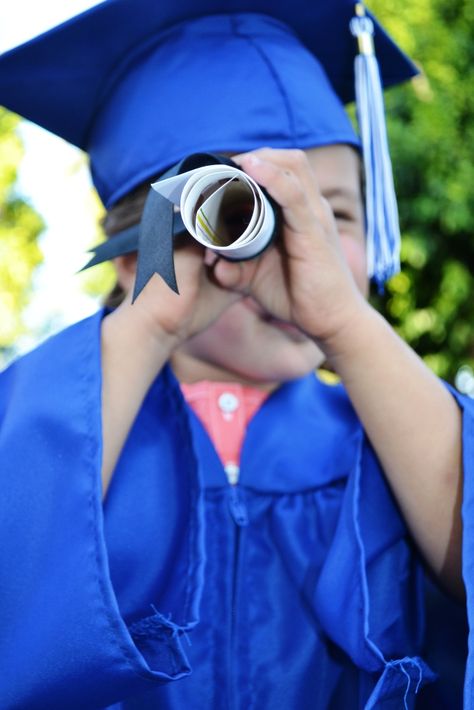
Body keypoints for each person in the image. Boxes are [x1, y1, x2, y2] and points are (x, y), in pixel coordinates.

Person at [0, 1, 471, 708]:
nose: (295, 243)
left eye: (335, 214)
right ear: (134, 258)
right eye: (236, 215)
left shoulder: (392, 441)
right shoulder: (81, 438)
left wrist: (346, 322)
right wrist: (149, 322)